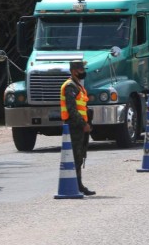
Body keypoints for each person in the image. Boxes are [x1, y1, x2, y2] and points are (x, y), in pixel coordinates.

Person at [60, 60, 95, 196]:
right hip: (74, 127)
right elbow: (71, 109)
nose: (83, 72)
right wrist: (83, 124)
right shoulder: (70, 86)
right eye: (81, 70)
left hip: (79, 127)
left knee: (79, 156)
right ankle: (75, 186)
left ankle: (78, 185)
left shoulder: (77, 86)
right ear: (74, 71)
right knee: (75, 156)